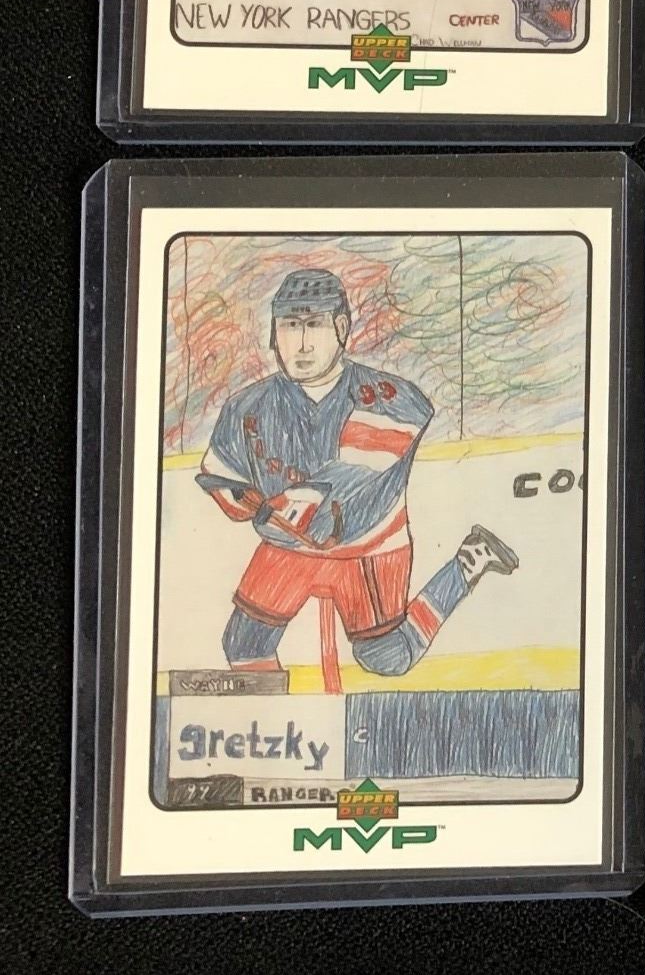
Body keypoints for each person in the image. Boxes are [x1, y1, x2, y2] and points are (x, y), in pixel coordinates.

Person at [197, 269, 517, 679]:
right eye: (290, 326)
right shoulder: (247, 406)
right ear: (274, 334)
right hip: (286, 547)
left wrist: (307, 499)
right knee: (243, 647)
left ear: (342, 328)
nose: (302, 343)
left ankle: (467, 564)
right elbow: (223, 476)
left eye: (314, 325)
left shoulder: (386, 397)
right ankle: (277, 715)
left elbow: (354, 475)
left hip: (367, 545)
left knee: (386, 658)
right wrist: (241, 501)